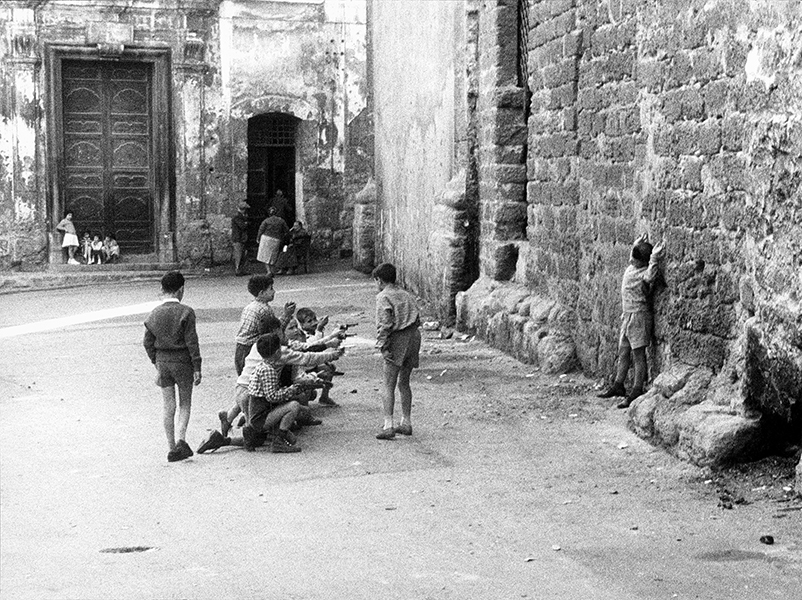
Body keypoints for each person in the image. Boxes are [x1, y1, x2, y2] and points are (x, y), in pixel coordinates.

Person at [597, 233, 665, 408]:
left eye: (636, 259)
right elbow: (633, 256)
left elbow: (651, 276)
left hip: (639, 316)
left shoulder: (644, 272)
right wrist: (637, 244)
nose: (632, 261)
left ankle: (636, 390)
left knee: (638, 355)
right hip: (627, 316)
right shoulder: (634, 266)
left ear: (643, 262)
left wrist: (655, 258)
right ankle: (618, 385)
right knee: (624, 352)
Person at [143, 271, 202, 462]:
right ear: (181, 290)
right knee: (185, 403)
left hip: (163, 362)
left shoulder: (153, 314)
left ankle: (170, 446)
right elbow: (192, 342)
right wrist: (197, 366)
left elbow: (147, 342)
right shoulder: (186, 312)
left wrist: (156, 360)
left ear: (162, 289)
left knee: (168, 406)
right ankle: (181, 441)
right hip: (183, 362)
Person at [372, 263, 421, 440]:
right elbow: (417, 316)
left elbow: (385, 323)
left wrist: (382, 345)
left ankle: (388, 425)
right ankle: (406, 422)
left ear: (379, 280)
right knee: (404, 382)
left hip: (398, 338)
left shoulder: (383, 297)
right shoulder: (406, 294)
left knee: (388, 383)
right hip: (414, 336)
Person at [233, 274, 295, 376]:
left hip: (240, 349)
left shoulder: (250, 306)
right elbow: (274, 331)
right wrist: (287, 315)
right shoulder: (265, 309)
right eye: (270, 289)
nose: (274, 291)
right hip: (252, 349)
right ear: (262, 293)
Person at [256, 207, 289, 275]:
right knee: (273, 255)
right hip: (276, 239)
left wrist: (258, 238)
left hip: (266, 238)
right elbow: (286, 230)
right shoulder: (281, 220)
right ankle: (273, 270)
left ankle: (269, 271)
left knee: (265, 256)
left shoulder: (266, 221)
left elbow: (261, 229)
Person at [231, 200, 249, 276]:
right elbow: (243, 226)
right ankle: (237, 269)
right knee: (238, 255)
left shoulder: (240, 217)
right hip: (238, 238)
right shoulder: (237, 217)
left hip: (241, 238)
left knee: (242, 255)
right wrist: (246, 222)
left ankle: (241, 269)